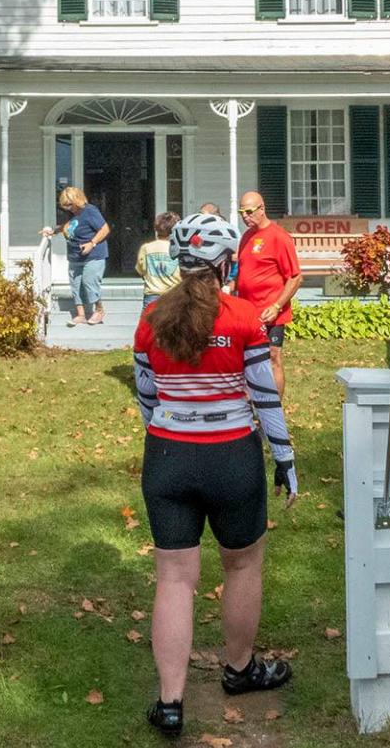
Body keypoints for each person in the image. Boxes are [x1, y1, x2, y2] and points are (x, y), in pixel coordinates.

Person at [134, 213, 297, 736]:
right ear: (226, 263)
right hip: (232, 457)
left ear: (179, 264)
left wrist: (170, 426)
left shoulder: (151, 317)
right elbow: (265, 394)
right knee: (243, 567)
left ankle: (171, 702)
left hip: (167, 455)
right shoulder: (244, 317)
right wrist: (285, 455)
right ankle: (240, 669)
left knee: (175, 579)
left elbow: (146, 397)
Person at [234, 192, 302, 398]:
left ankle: (275, 408)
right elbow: (243, 271)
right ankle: (250, 404)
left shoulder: (279, 237)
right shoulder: (246, 236)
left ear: (262, 209)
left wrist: (276, 306)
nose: (245, 216)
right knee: (246, 359)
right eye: (241, 212)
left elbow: (296, 277)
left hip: (271, 313)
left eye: (249, 211)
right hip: (247, 312)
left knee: (273, 357)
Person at [40, 186, 109, 326]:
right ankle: (81, 315)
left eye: (70, 204)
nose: (68, 208)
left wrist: (92, 243)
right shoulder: (72, 214)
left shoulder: (90, 211)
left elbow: (105, 229)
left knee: (90, 282)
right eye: (65, 205)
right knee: (76, 286)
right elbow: (69, 227)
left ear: (77, 200)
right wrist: (53, 231)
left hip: (93, 256)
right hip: (75, 257)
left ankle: (99, 310)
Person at [136, 211, 181, 311]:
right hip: (175, 295)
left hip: (152, 295)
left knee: (148, 325)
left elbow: (141, 270)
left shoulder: (146, 248)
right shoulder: (178, 249)